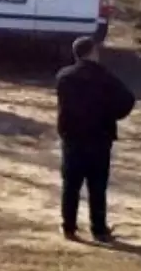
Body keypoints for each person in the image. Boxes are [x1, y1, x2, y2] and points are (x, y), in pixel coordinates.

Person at [56, 37, 135, 243]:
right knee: (97, 185)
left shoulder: (64, 77)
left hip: (72, 137)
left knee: (70, 184)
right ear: (92, 52)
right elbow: (128, 99)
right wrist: (113, 114)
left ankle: (69, 227)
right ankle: (99, 229)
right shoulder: (105, 77)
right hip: (100, 137)